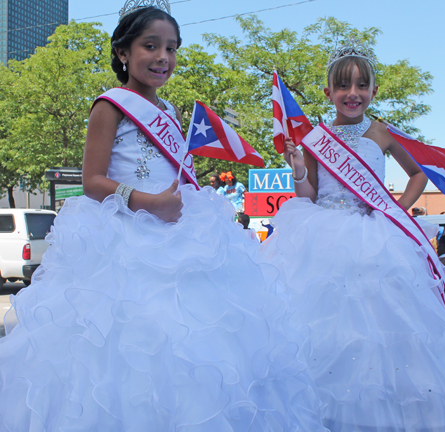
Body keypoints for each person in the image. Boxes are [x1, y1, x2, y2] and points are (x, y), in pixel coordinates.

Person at [0, 5, 327, 431]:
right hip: (121, 241)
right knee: (130, 349)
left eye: (171, 48)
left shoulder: (171, 112)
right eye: (150, 46)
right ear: (122, 52)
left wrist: (173, 202)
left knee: (202, 344)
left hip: (182, 236)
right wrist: (148, 202)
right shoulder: (109, 107)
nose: (162, 57)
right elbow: (93, 182)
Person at [261, 40, 445, 430]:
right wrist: (298, 168)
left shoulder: (382, 132)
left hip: (375, 235)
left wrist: (398, 208)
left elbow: (418, 173)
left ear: (374, 91)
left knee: (385, 326)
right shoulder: (315, 139)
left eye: (361, 86)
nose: (352, 94)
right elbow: (308, 194)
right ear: (328, 93)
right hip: (321, 235)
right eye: (343, 86)